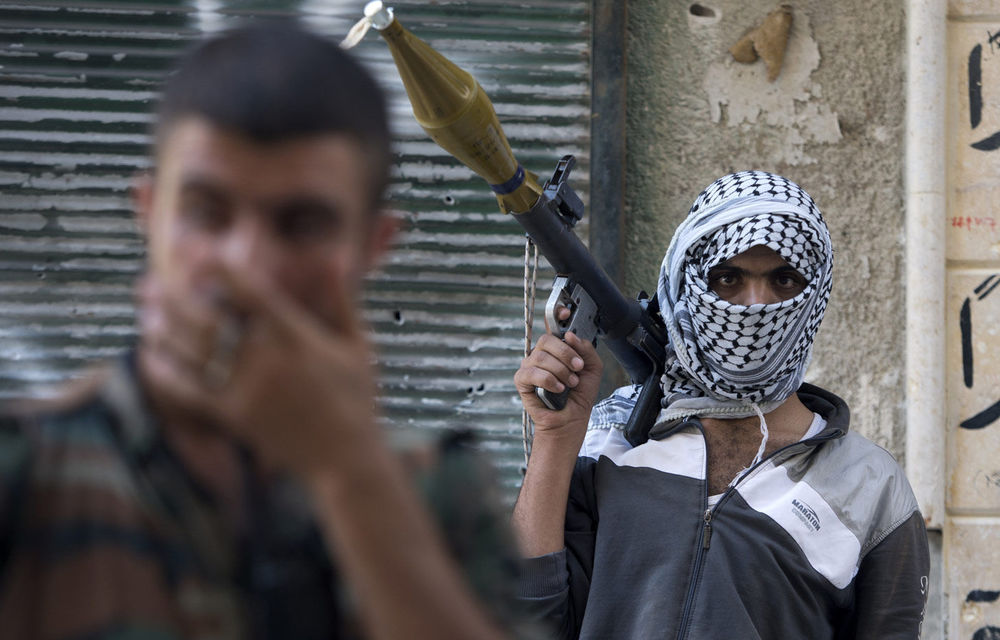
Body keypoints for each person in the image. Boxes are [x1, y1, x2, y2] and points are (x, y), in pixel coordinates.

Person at [0, 21, 524, 640]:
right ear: (149, 214)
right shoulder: (30, 469)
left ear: (372, 245)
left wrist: (349, 471)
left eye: (301, 223)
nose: (247, 266)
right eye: (205, 212)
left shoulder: (439, 492)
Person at [512, 170, 930, 639]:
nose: (754, 305)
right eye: (727, 278)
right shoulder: (610, 435)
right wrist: (555, 436)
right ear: (686, 284)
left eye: (784, 279)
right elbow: (527, 620)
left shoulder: (868, 487)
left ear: (815, 296)